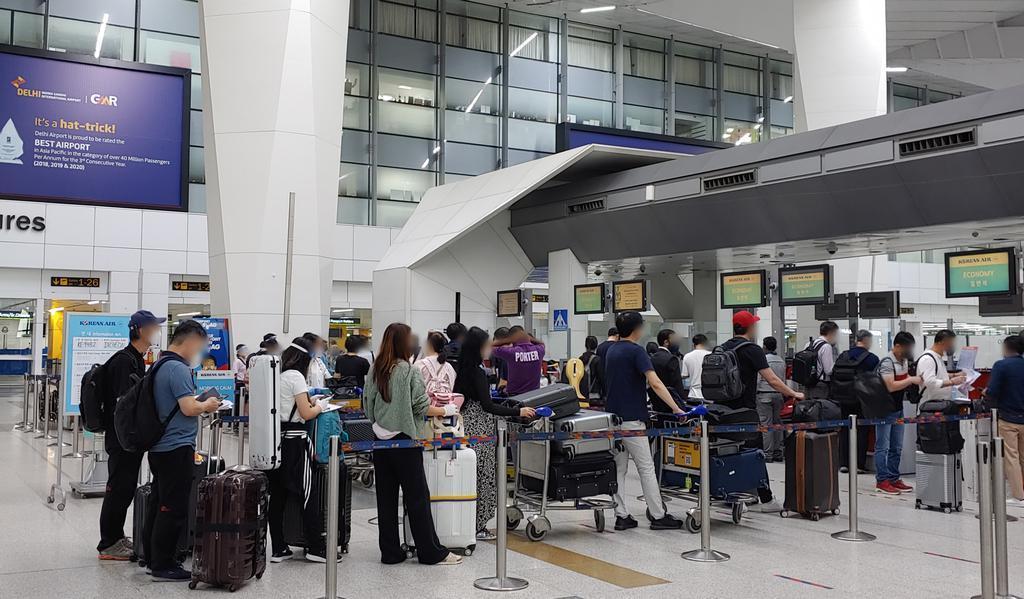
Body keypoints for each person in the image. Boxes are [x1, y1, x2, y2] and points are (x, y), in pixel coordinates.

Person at [364, 323, 462, 566]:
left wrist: (379, 421)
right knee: (417, 498)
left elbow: (367, 401)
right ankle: (430, 552)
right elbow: (420, 406)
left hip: (380, 442)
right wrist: (445, 409)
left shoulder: (376, 369)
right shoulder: (408, 371)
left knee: (385, 499)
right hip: (405, 440)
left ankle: (390, 552)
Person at [143, 320, 221, 581]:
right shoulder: (177, 369)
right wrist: (208, 404)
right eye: (200, 346)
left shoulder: (160, 364)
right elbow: (188, 408)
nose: (200, 353)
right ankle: (163, 564)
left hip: (160, 446)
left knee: (158, 501)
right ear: (190, 342)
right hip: (175, 446)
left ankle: (153, 557)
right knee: (172, 506)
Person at [603, 311, 685, 530]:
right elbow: (656, 383)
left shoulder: (612, 350)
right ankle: (658, 516)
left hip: (613, 418)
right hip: (632, 420)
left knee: (619, 468)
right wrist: (676, 408)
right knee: (646, 468)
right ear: (637, 329)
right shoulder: (636, 352)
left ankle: (622, 515)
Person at [454, 326, 536, 539]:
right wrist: (518, 411)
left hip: (466, 426)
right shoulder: (477, 372)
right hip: (480, 429)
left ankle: (467, 523)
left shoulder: (462, 369)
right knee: (484, 477)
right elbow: (488, 406)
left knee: (472, 477)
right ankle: (478, 526)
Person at [96, 310, 164, 560]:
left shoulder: (136, 358)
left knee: (124, 488)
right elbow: (124, 405)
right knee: (118, 489)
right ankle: (108, 543)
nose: (156, 332)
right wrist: (131, 438)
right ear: (140, 330)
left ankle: (115, 536)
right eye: (153, 327)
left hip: (128, 439)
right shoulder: (124, 361)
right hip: (122, 439)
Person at [721, 311, 803, 512]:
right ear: (749, 328)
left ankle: (731, 494)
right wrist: (794, 393)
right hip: (745, 411)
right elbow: (772, 380)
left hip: (722, 410)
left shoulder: (722, 348)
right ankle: (766, 500)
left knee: (728, 452)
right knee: (755, 454)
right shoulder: (752, 350)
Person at [267, 336, 330, 563]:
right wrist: (320, 405)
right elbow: (306, 413)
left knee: (278, 496)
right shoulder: (296, 377)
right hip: (295, 442)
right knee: (308, 493)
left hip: (276, 441)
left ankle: (279, 547)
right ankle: (315, 547)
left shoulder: (279, 374)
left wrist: (307, 400)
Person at [875, 332, 923, 495]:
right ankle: (882, 480)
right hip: (883, 410)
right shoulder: (887, 362)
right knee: (883, 446)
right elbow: (890, 386)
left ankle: (893, 477)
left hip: (898, 409)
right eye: (906, 348)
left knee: (896, 446)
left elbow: (904, 379)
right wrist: (910, 380)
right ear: (897, 346)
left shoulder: (903, 361)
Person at [985, 335, 1024, 505]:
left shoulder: (1001, 365)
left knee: (1011, 458)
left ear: (1006, 348)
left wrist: (985, 392)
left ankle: (1018, 495)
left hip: (1008, 418)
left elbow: (992, 391)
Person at [839, 330, 879, 473]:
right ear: (867, 340)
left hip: (843, 398)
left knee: (844, 429)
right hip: (862, 399)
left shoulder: (843, 355)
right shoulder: (872, 358)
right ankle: (858, 464)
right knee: (862, 430)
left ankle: (844, 463)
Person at [755, 336, 787, 463]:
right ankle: (778, 452)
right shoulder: (781, 361)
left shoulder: (762, 360)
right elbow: (783, 381)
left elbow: (758, 380)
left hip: (764, 395)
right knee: (777, 424)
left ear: (764, 346)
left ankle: (768, 454)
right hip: (778, 395)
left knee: (766, 425)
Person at [491, 326, 545, 396]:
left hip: (515, 397)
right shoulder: (539, 350)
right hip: (534, 396)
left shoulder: (511, 353)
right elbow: (541, 343)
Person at [918, 329, 966, 402]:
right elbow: (930, 382)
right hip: (930, 407)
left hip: (940, 404)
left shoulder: (937, 357)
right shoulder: (928, 359)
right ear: (944, 342)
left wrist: (955, 375)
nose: (953, 347)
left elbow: (939, 375)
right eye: (951, 343)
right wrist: (952, 382)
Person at [649, 328, 685, 412]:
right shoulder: (671, 359)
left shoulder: (652, 358)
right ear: (666, 342)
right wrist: (681, 404)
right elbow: (677, 384)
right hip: (672, 403)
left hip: (656, 402)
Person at [805, 321, 840, 400]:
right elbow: (828, 370)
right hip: (821, 386)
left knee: (810, 409)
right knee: (820, 409)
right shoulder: (826, 346)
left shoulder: (808, 344)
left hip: (808, 384)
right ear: (831, 333)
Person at [415, 331, 457, 396]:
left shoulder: (420, 364)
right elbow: (452, 386)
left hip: (426, 404)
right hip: (445, 405)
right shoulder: (449, 367)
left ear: (429, 345)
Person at [681, 333, 711, 400]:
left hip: (693, 394)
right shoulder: (711, 356)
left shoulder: (687, 356)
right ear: (705, 343)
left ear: (693, 344)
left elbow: (684, 375)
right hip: (709, 394)